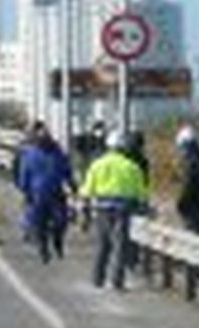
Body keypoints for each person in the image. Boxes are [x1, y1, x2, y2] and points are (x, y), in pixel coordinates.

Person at [78, 130, 149, 290]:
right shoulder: (132, 167)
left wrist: (85, 211)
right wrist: (144, 209)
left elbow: (86, 191)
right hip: (123, 211)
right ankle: (117, 281)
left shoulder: (97, 165)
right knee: (120, 246)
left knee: (103, 246)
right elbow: (142, 195)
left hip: (102, 209)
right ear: (123, 147)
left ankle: (97, 279)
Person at [16, 121, 74, 264]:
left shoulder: (58, 153)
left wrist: (73, 185)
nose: (44, 142)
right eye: (41, 139)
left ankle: (57, 241)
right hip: (37, 194)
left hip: (56, 193)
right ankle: (44, 250)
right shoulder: (30, 154)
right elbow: (24, 174)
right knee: (39, 225)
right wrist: (25, 190)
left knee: (61, 221)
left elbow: (66, 170)